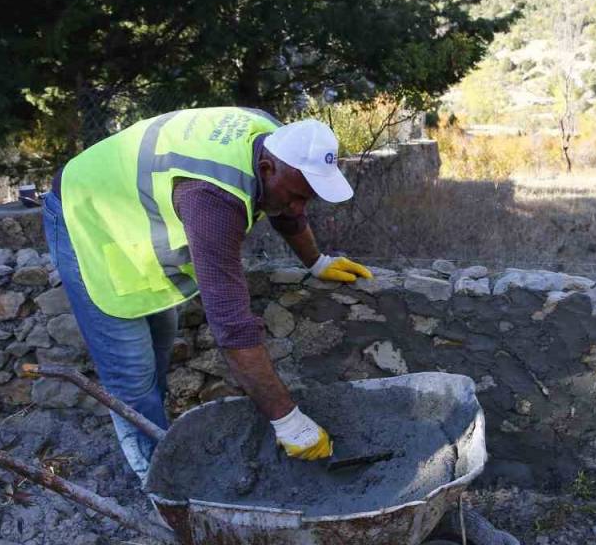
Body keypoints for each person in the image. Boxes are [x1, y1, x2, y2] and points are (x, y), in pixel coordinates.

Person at [42, 107, 372, 482]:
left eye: (308, 198)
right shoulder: (213, 199)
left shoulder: (276, 140)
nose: (300, 207)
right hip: (88, 220)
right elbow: (232, 328)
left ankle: (158, 441)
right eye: (298, 196)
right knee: (132, 380)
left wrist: (315, 260)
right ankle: (160, 488)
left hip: (134, 225)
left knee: (159, 351)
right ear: (266, 169)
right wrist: (287, 419)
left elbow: (285, 206)